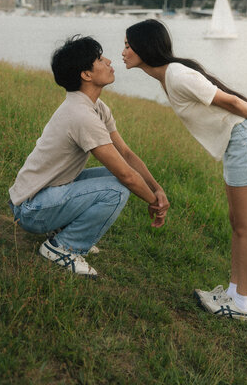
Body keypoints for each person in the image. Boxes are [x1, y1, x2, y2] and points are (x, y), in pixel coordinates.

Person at [123, 19, 247, 321]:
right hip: (238, 143)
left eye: (128, 45)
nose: (124, 51)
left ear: (144, 48)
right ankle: (232, 293)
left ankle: (242, 304)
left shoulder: (177, 76)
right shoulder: (169, 75)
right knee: (238, 224)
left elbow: (229, 101)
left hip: (245, 141)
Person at [9, 34, 169, 278]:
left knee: (113, 178)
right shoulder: (80, 115)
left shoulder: (95, 107)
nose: (108, 60)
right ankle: (63, 247)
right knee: (117, 188)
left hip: (40, 198)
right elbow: (126, 176)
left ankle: (66, 231)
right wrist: (154, 203)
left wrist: (157, 189)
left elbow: (125, 154)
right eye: (99, 58)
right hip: (31, 208)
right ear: (86, 74)